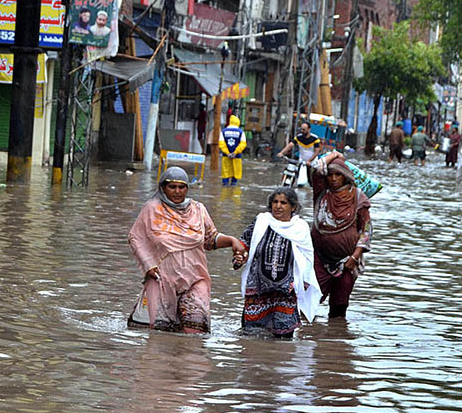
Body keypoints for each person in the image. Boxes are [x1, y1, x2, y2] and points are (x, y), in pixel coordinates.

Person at [127, 166, 246, 333]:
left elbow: (210, 239)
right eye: (172, 187)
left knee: (195, 329)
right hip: (162, 279)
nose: (177, 191)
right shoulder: (152, 209)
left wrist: (232, 241)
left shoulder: (198, 210)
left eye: (181, 187)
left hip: (195, 277)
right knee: (161, 334)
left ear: (187, 188)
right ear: (163, 187)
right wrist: (149, 265)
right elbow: (135, 238)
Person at [234, 187, 322, 337]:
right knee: (251, 337)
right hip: (257, 289)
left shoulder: (300, 228)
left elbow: (307, 259)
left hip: (285, 291)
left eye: (283, 203)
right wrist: (240, 257)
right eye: (275, 202)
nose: (278, 206)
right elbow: (244, 243)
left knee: (283, 340)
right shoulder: (261, 222)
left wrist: (302, 285)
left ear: (293, 207)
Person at [310, 151, 372, 319]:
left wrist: (354, 257)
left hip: (347, 261)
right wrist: (335, 154)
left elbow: (366, 231)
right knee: (308, 300)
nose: (334, 179)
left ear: (345, 176)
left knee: (339, 306)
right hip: (319, 258)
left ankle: (335, 339)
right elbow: (316, 168)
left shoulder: (358, 197)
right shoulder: (321, 193)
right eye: (330, 175)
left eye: (338, 174)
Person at [218, 115, 247, 186]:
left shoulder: (224, 131)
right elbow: (243, 144)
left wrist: (227, 153)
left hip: (226, 156)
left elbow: (221, 143)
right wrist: (235, 152)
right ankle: (233, 185)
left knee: (225, 171)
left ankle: (225, 184)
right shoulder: (241, 132)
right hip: (236, 156)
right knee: (236, 171)